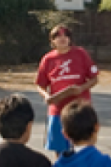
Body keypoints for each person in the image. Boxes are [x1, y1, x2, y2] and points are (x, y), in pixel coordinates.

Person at [35, 25, 99, 154]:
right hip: (58, 111)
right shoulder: (48, 59)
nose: (62, 38)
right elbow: (40, 84)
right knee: (60, 150)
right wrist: (47, 97)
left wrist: (81, 88)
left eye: (65, 35)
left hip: (79, 109)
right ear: (52, 41)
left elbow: (94, 78)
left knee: (83, 147)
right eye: (58, 36)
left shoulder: (80, 53)